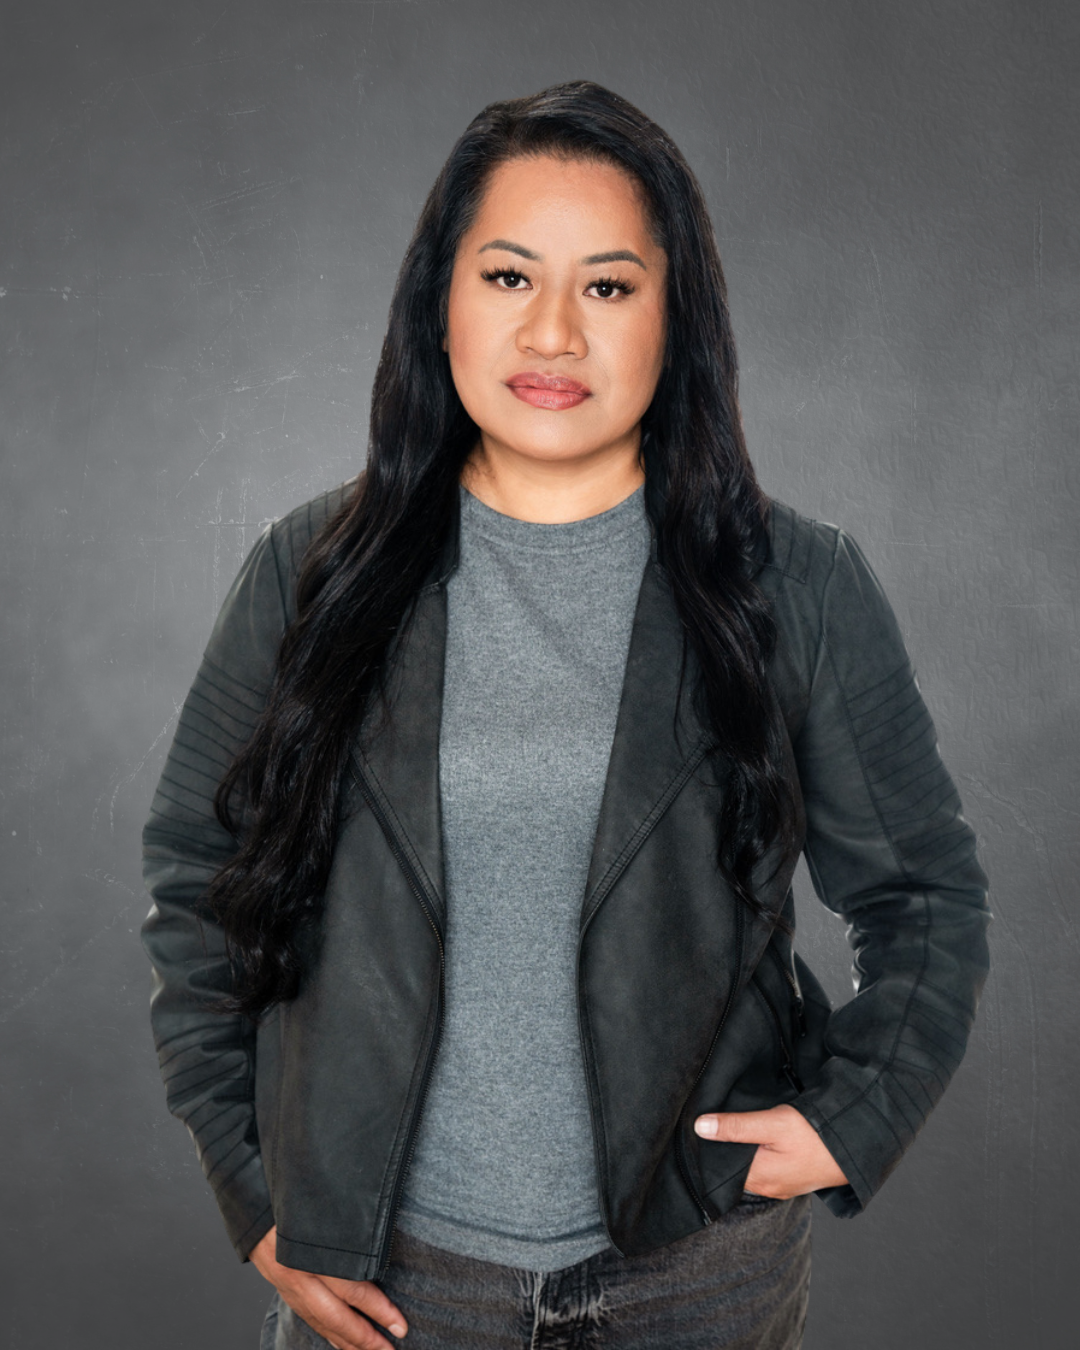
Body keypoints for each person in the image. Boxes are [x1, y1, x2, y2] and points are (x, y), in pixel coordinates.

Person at [140, 81, 991, 1350]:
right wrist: (262, 1197)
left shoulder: (794, 587)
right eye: (505, 277)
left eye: (606, 287)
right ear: (441, 303)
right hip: (391, 1294)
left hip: (699, 1286)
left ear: (674, 319)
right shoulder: (308, 572)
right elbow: (201, 886)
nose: (551, 334)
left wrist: (846, 1119)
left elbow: (924, 898)